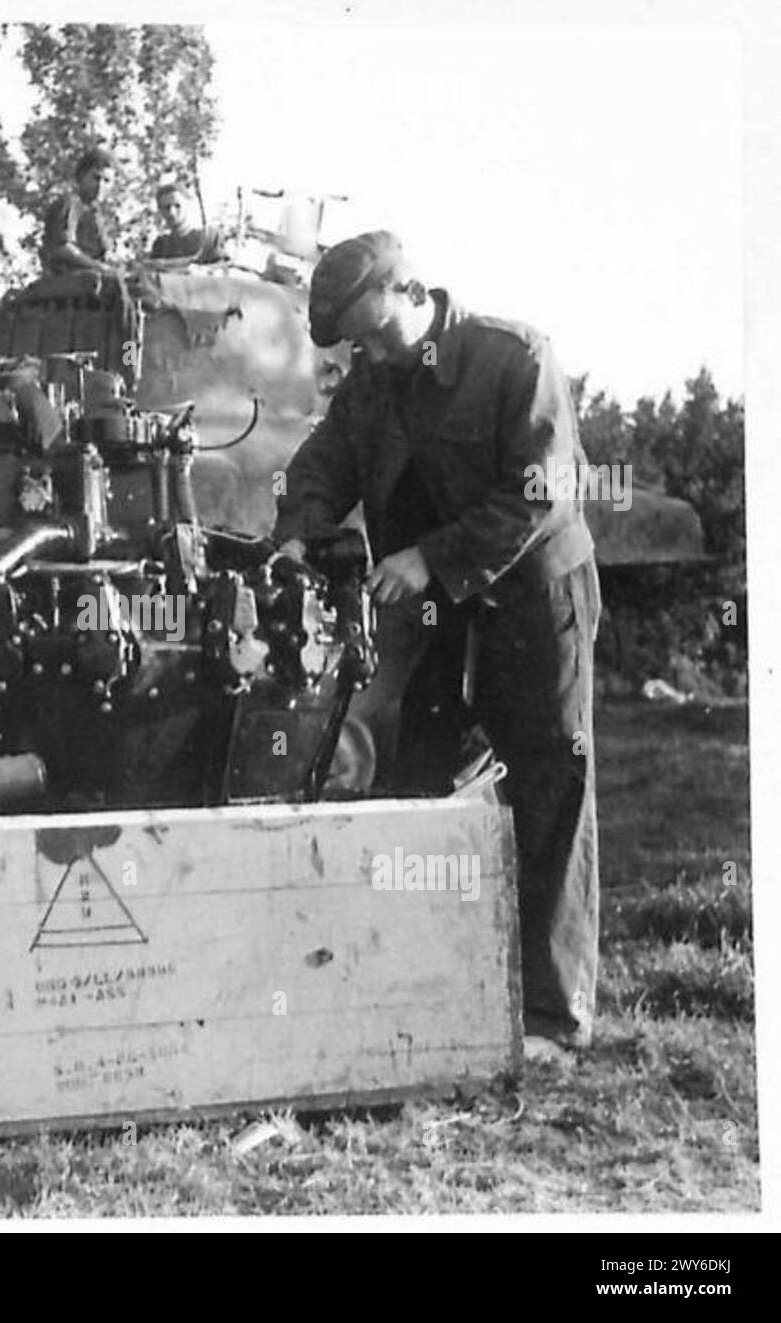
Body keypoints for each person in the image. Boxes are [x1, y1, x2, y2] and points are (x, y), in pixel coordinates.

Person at [271, 231, 600, 1058]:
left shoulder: (513, 357)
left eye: (377, 335)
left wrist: (432, 557)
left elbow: (542, 492)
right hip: (439, 617)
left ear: (412, 292)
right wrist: (296, 535)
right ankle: (431, 984)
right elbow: (320, 467)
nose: (369, 355)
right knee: (419, 781)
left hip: (533, 598)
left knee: (549, 783)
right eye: (356, 345)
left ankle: (553, 1018)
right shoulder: (372, 387)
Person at [40, 147, 116, 276]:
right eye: (96, 178)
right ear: (81, 177)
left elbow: (107, 254)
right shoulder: (69, 204)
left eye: (106, 181)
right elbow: (62, 248)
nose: (100, 186)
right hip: (67, 280)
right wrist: (97, 266)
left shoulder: (100, 217)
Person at [149, 183, 226, 264]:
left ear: (188, 205)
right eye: (166, 207)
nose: (172, 212)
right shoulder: (161, 245)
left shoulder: (209, 237)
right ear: (160, 211)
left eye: (177, 205)